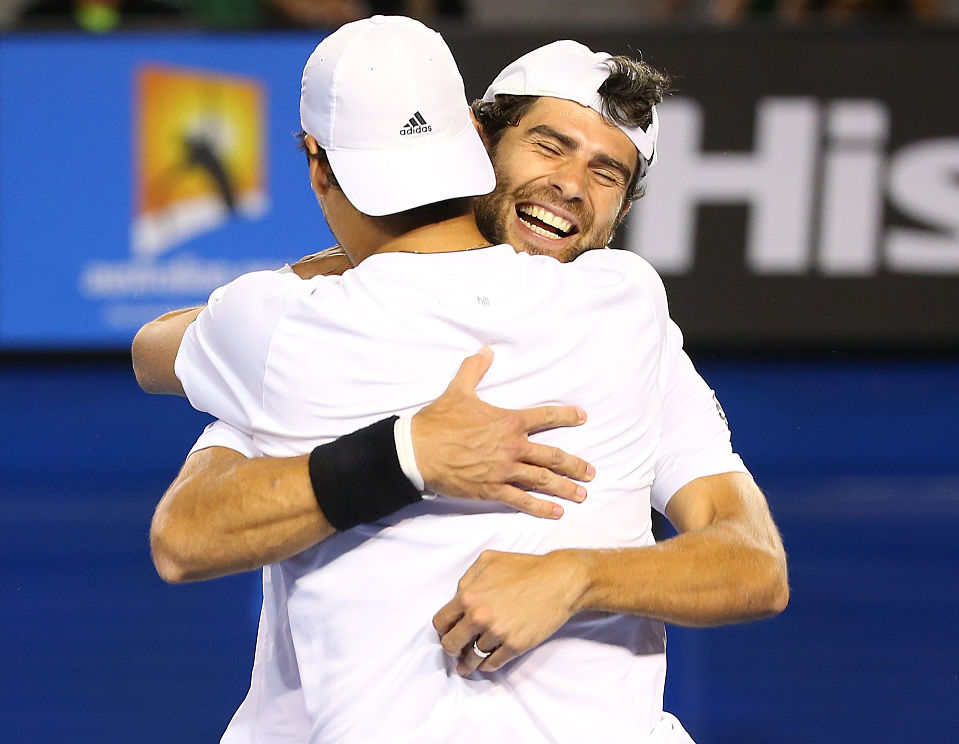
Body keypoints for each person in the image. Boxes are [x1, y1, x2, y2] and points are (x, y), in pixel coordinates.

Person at [133, 22, 788, 743]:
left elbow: (753, 564)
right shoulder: (307, 327)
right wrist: (407, 454)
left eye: (607, 173)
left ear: (621, 213)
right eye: (549, 145)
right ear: (477, 141)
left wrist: (579, 576)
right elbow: (189, 531)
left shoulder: (627, 317)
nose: (570, 186)